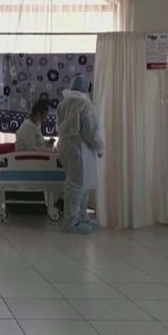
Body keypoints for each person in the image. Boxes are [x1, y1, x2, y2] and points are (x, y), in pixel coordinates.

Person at [56, 75, 104, 234]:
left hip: (66, 148)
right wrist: (100, 147)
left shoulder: (63, 103)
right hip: (81, 150)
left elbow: (60, 126)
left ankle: (82, 217)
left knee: (79, 185)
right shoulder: (85, 104)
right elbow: (91, 132)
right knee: (77, 187)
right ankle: (71, 222)